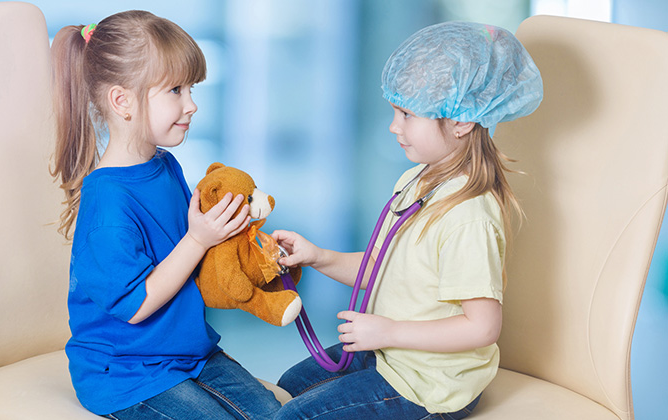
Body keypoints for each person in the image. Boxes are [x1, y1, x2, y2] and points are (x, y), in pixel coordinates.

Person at [271, 21, 543, 420]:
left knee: (293, 417)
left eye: (406, 113)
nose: (393, 126)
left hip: (431, 383)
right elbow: (383, 270)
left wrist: (388, 331)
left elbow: (482, 327)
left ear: (461, 121)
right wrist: (317, 257)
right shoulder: (417, 179)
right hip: (389, 355)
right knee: (287, 389)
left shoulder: (468, 216)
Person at [50, 11, 281, 419]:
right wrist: (198, 239)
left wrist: (238, 240)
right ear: (122, 101)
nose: (191, 105)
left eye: (190, 88)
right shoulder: (107, 204)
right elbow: (136, 304)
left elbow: (189, 251)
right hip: (124, 373)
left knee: (272, 413)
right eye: (175, 89)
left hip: (187, 352)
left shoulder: (165, 164)